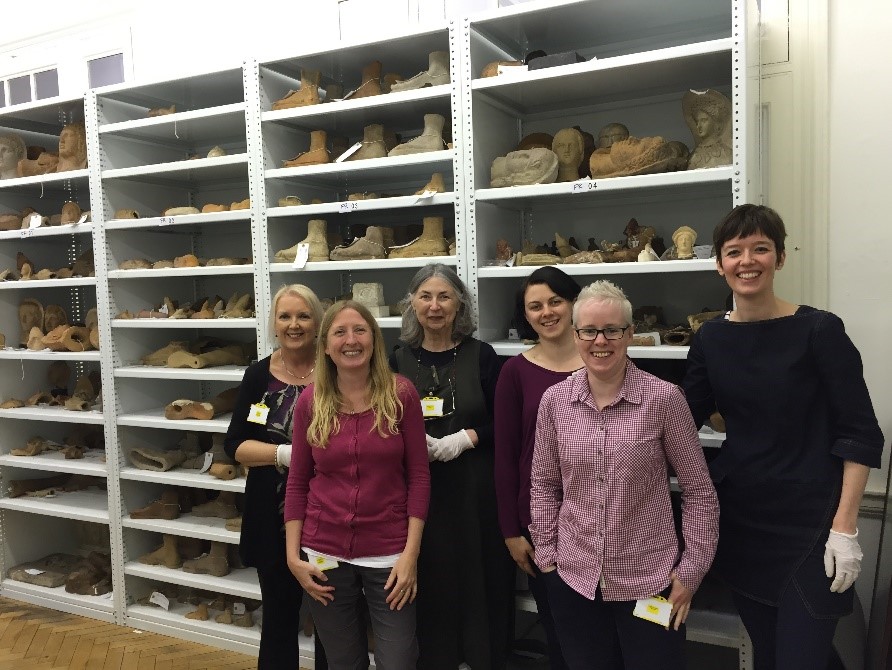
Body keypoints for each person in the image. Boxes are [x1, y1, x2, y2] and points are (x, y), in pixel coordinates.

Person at [682, 204, 885, 670]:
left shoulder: (819, 330)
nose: (747, 261)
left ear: (780, 257)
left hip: (813, 525)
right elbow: (680, 416)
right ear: (720, 264)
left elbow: (859, 433)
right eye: (734, 252)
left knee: (802, 657)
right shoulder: (711, 338)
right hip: (744, 520)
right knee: (772, 655)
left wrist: (845, 529)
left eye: (760, 248)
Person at [531, 279, 718, 669]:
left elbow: (699, 491)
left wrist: (691, 571)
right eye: (589, 330)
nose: (600, 341)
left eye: (612, 330)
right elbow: (544, 485)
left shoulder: (664, 399)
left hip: (650, 582)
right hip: (574, 581)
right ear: (575, 333)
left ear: (630, 333)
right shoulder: (555, 402)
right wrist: (548, 559)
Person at [285, 300, 430, 670]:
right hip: (323, 553)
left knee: (398, 659)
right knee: (343, 661)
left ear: (374, 339)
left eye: (360, 330)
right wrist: (292, 557)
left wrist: (410, 555)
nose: (351, 340)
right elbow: (299, 481)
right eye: (340, 332)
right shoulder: (310, 402)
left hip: (389, 552)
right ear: (326, 345)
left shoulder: (401, 395)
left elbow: (418, 475)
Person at [390, 263, 514, 670]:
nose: (435, 305)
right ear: (412, 303)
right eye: (425, 296)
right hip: (417, 499)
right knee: (431, 585)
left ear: (460, 302)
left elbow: (507, 421)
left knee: (482, 584)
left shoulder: (483, 356)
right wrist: (405, 439)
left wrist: (466, 438)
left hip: (476, 497)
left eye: (444, 296)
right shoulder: (396, 359)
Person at [223, 283, 328, 669]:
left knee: (329, 620)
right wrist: (285, 453)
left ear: (318, 322)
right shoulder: (257, 376)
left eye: (303, 315)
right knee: (279, 619)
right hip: (272, 516)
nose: (294, 324)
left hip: (328, 516)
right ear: (274, 323)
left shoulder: (335, 371)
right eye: (285, 316)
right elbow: (234, 446)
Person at [494, 267, 583, 670]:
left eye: (555, 301)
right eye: (535, 306)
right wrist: (512, 531)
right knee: (560, 627)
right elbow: (506, 456)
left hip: (605, 516)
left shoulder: (602, 357)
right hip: (542, 524)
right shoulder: (515, 372)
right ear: (525, 315)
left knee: (604, 627)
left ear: (573, 303)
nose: (546, 312)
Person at [682, 89, 732, 169]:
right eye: (697, 121)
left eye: (703, 120)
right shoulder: (693, 155)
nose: (699, 126)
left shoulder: (725, 152)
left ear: (715, 122)